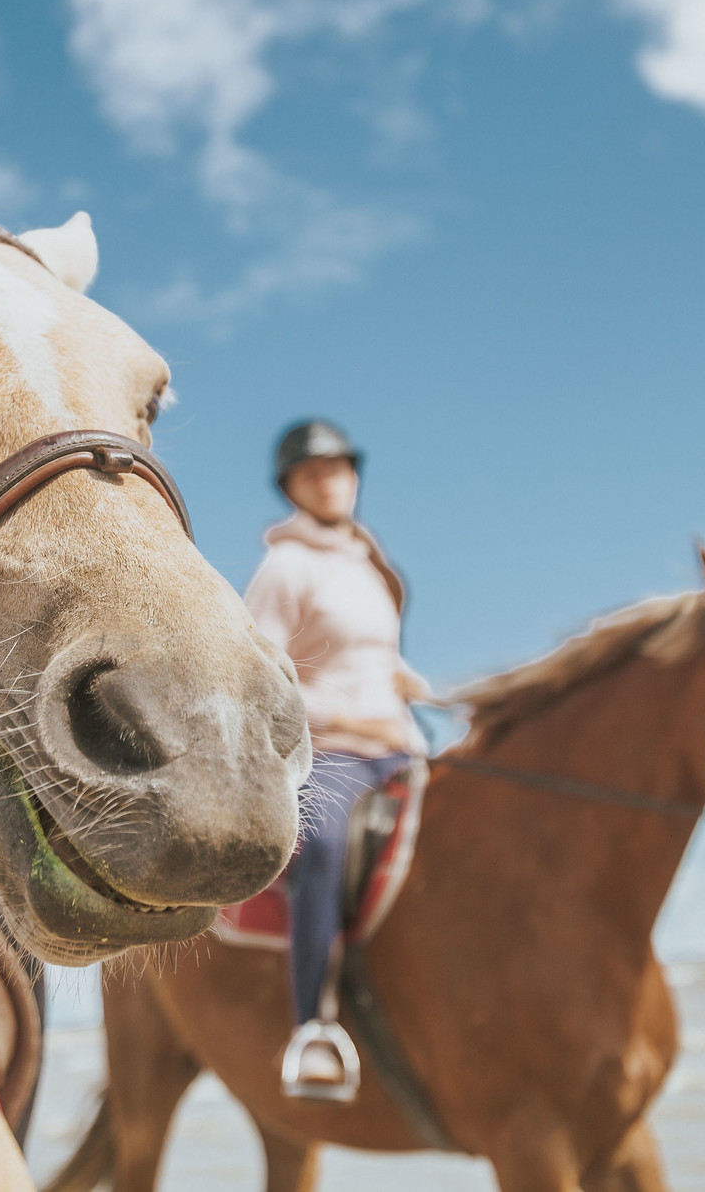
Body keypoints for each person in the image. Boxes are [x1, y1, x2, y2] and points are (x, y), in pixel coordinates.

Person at [244, 419, 431, 1103]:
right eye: (313, 471)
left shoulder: (369, 565)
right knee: (319, 843)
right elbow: (258, 676)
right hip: (334, 750)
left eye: (340, 467)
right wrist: (345, 716)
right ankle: (312, 1027)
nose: (330, 479)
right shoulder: (284, 566)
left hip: (399, 742)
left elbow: (370, 654)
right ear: (292, 486)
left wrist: (405, 681)